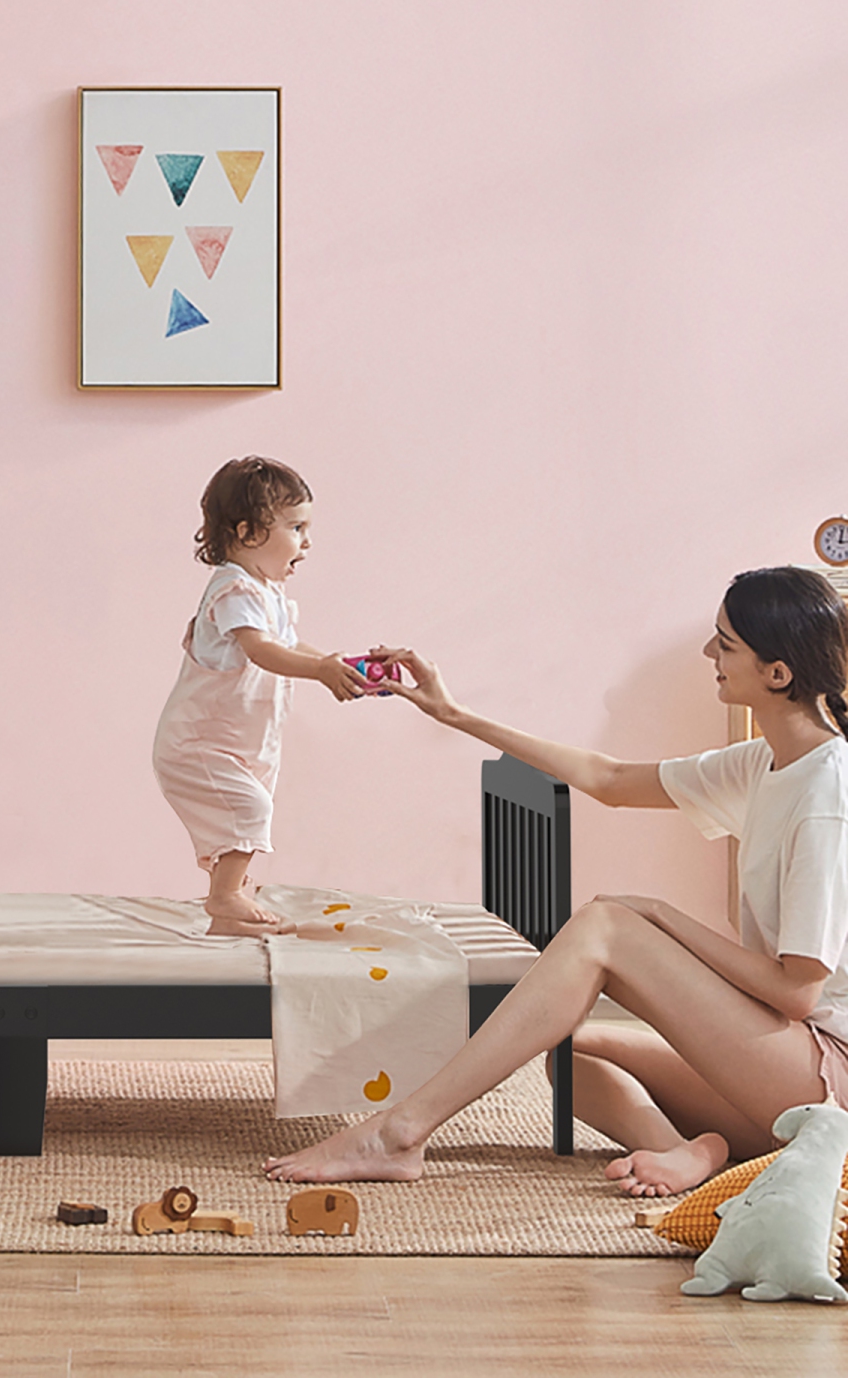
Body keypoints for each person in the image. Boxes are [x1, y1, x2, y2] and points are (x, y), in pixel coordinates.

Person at [264, 565, 848, 1196]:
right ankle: (687, 1153)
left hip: (825, 1079)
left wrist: (660, 915)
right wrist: (452, 713)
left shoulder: (825, 794)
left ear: (777, 673)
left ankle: (400, 1131)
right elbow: (611, 780)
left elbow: (797, 993)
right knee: (572, 1052)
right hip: (783, 1069)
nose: (710, 652)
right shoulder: (767, 762)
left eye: (725, 643)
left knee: (609, 925)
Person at [152, 457, 365, 938]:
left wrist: (339, 664)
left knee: (237, 818)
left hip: (238, 744)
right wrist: (318, 671)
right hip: (199, 744)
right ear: (248, 533)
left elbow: (288, 645)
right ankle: (224, 896)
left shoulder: (264, 592)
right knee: (248, 811)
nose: (306, 542)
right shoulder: (234, 589)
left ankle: (230, 912)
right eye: (296, 527)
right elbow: (262, 649)